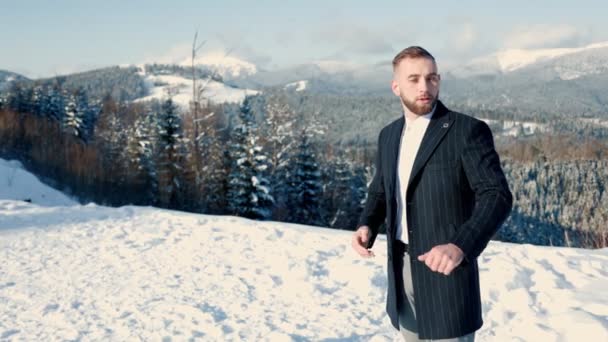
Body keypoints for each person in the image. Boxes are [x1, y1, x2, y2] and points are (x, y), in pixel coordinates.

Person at [351, 46, 513, 341]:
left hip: (447, 275)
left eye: (432, 78)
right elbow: (381, 190)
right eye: (413, 79)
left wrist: (460, 245)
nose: (425, 87)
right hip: (400, 269)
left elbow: (496, 195)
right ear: (396, 86)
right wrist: (367, 224)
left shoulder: (467, 131)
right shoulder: (389, 135)